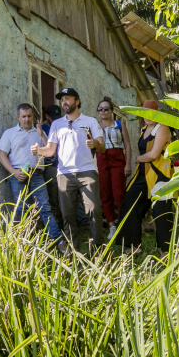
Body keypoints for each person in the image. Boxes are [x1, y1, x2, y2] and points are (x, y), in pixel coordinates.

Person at [31, 88, 106, 248]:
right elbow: (51, 150)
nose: (64, 102)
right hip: (64, 174)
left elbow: (102, 147)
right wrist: (39, 151)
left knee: (94, 211)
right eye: (62, 99)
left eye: (68, 99)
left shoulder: (90, 121)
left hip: (87, 172)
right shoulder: (57, 125)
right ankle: (73, 252)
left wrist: (95, 143)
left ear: (77, 101)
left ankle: (99, 250)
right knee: (68, 214)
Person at [0, 103, 64, 248]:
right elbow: (2, 155)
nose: (27, 119)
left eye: (29, 116)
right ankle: (23, 243)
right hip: (18, 174)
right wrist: (14, 172)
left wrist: (41, 135)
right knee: (21, 208)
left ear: (33, 117)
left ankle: (59, 241)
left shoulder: (38, 132)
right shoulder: (10, 133)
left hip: (37, 174)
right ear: (18, 117)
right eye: (23, 116)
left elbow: (51, 149)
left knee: (44, 207)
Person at [116, 99, 175, 254]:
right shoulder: (143, 130)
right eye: (144, 113)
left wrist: (138, 159)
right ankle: (133, 246)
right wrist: (141, 160)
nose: (147, 116)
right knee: (130, 204)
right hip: (143, 173)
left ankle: (166, 251)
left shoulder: (162, 128)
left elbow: (154, 154)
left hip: (160, 173)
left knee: (161, 212)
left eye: (151, 113)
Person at [95, 96, 132, 239]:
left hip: (117, 158)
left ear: (111, 110)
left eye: (106, 109)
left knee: (119, 193)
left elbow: (127, 145)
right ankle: (112, 226)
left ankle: (124, 223)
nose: (103, 111)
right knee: (105, 194)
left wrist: (128, 163)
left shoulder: (119, 124)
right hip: (101, 159)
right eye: (100, 109)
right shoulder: (95, 126)